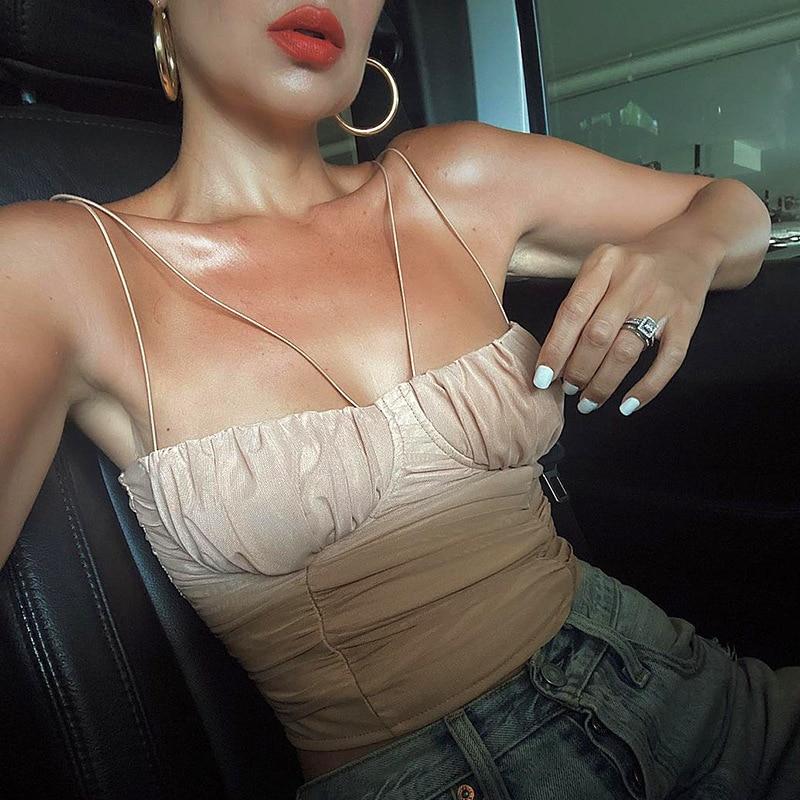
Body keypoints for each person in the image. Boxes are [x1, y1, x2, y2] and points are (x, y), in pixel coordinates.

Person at [0, 1, 793, 798]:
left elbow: (734, 208)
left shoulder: (454, 178)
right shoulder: (54, 269)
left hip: (682, 684)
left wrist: (683, 253)